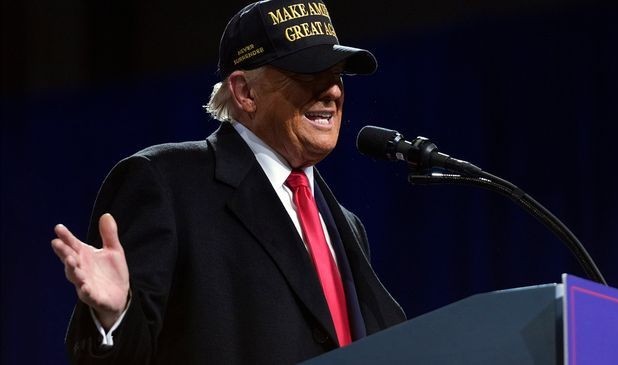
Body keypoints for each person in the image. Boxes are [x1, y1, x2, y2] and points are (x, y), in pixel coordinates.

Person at [51, 0, 406, 363]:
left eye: (336, 74)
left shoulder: (346, 225)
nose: (332, 91)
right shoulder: (165, 183)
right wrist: (113, 317)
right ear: (245, 93)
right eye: (307, 73)